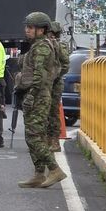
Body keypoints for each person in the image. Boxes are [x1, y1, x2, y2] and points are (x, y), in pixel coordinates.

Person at [15, 11, 66, 189]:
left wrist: (31, 95)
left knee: (35, 136)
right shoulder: (36, 46)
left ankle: (55, 169)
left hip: (38, 96)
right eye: (27, 27)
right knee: (32, 137)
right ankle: (38, 174)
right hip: (35, 94)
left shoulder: (43, 47)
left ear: (42, 30)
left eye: (31, 27)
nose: (27, 30)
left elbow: (39, 75)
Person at [47, 21, 71, 153]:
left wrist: (55, 76)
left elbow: (65, 65)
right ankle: (46, 140)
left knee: (53, 112)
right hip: (45, 82)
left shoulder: (60, 46)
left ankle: (54, 140)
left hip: (55, 83)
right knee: (44, 112)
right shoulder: (44, 45)